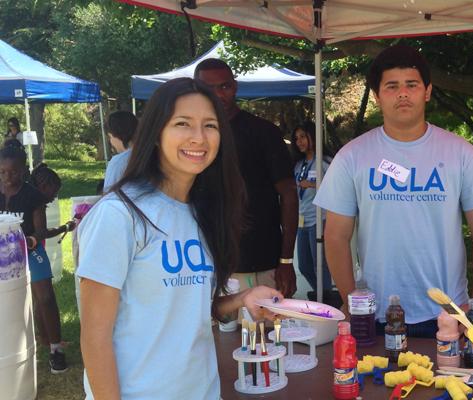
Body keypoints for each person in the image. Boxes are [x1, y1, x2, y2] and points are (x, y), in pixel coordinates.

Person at [77, 78, 283, 399]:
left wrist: (244, 299)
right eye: (182, 123)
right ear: (156, 133)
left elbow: (189, 309)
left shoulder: (202, 212)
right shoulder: (119, 214)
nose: (198, 137)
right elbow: (94, 335)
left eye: (210, 125)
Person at [314, 45, 473, 337]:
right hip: (375, 316)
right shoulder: (353, 156)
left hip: (450, 315)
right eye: (392, 86)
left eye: (411, 85)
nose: (403, 93)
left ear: (427, 91)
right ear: (377, 96)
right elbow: (336, 235)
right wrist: (353, 304)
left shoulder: (461, 153)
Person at [195, 58, 298, 298]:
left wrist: (286, 260)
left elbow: (289, 195)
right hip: (203, 263)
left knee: (264, 334)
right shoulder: (190, 137)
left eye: (225, 86)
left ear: (235, 86)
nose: (218, 94)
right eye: (209, 89)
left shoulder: (264, 133)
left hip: (260, 263)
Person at [0, 147, 69, 373]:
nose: (7, 178)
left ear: (23, 171)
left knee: (45, 298)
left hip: (30, 250)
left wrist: (28, 240)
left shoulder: (32, 196)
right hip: (3, 255)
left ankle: (56, 349)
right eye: (2, 172)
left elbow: (40, 231)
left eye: (13, 173)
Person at [291, 120, 335, 301]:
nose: (299, 141)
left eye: (303, 136)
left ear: (313, 136)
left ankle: (324, 299)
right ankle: (321, 294)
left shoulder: (325, 162)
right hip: (302, 219)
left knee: (321, 264)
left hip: (320, 218)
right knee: (304, 265)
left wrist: (313, 184)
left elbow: (336, 186)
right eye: (296, 139)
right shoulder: (298, 165)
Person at [103, 111, 138, 191]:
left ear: (114, 135)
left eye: (110, 137)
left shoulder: (118, 162)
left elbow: (108, 196)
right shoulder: (153, 156)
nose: (111, 142)